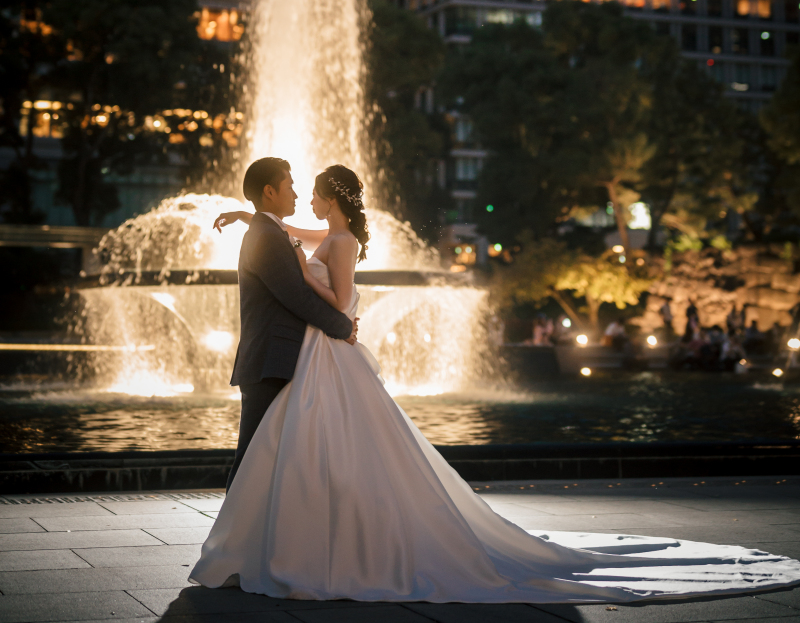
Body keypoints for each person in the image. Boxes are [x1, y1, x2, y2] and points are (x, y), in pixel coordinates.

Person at [190, 164, 800, 605]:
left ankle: (278, 547)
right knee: (276, 452)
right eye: (294, 188)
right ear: (273, 193)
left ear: (333, 199)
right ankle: (268, 545)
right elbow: (298, 273)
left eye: (313, 190)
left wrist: (340, 318)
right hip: (306, 354)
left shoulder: (328, 238)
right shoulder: (284, 233)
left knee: (297, 452)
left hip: (321, 353)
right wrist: (273, 239)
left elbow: (321, 283)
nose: (304, 197)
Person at [221, 157, 356, 492]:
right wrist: (343, 327)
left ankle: (260, 533)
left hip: (279, 360)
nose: (297, 195)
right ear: (270, 191)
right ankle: (230, 538)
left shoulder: (269, 231)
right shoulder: (266, 236)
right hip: (270, 362)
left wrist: (242, 215)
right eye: (291, 186)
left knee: (272, 456)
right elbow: (296, 296)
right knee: (253, 454)